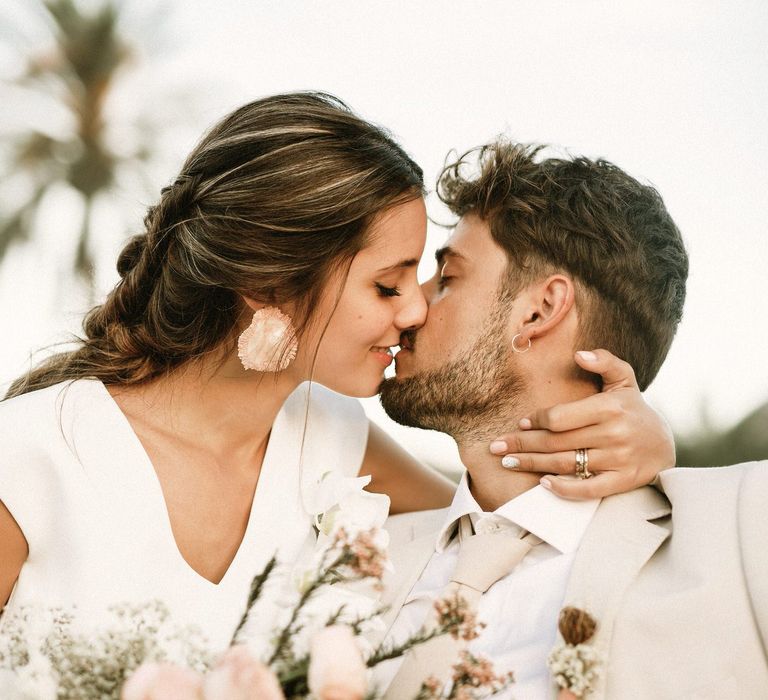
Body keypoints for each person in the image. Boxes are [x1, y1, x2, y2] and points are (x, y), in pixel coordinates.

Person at [0, 93, 673, 653]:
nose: (415, 310)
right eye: (387, 286)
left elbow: (491, 519)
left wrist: (649, 456)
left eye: (427, 277)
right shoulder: (30, 457)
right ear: (268, 284)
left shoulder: (332, 439)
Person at [372, 141, 768, 698]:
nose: (411, 306)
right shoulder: (353, 552)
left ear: (539, 310)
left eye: (449, 277)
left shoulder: (743, 524)